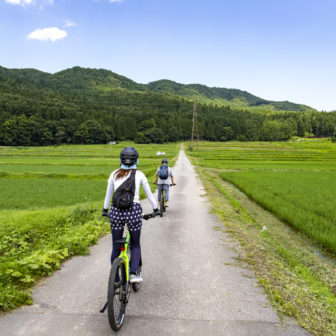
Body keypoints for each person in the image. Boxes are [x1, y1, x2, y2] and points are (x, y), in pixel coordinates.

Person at [102, 147, 159, 283]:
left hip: (116, 211)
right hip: (133, 212)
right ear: (137, 160)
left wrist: (105, 210)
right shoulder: (139, 174)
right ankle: (133, 274)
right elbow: (150, 195)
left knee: (116, 246)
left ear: (120, 160)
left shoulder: (114, 174)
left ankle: (115, 278)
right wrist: (156, 209)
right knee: (135, 244)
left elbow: (108, 195)